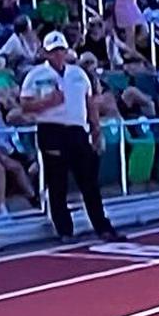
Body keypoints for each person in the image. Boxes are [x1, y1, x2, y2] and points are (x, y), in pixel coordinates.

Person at [20, 31, 125, 244]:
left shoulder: (78, 74)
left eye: (61, 50)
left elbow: (90, 103)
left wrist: (96, 128)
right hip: (51, 129)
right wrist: (47, 102)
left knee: (89, 180)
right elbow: (25, 105)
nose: (58, 55)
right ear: (45, 53)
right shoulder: (35, 76)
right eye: (53, 51)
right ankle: (64, 229)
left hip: (77, 130)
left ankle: (102, 226)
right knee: (57, 181)